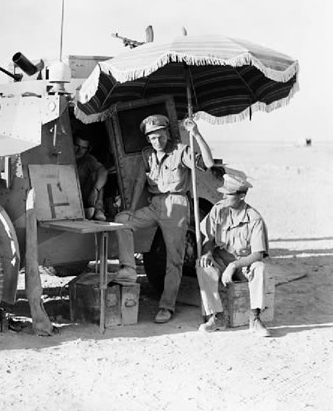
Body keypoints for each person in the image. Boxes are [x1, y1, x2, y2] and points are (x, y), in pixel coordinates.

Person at [114, 114, 214, 323]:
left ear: (167, 134)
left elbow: (208, 162)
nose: (157, 142)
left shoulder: (180, 151)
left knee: (174, 259)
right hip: (155, 205)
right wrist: (131, 209)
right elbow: (141, 181)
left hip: (176, 206)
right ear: (148, 139)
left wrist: (196, 134)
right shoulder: (147, 154)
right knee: (122, 220)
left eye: (160, 137)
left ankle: (166, 306)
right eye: (152, 138)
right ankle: (129, 269)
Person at [197, 173, 271, 337]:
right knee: (203, 265)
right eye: (223, 193)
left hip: (244, 263)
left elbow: (258, 254)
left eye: (228, 194)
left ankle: (255, 318)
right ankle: (217, 317)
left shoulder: (254, 219)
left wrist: (234, 266)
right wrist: (208, 253)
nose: (223, 196)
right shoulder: (218, 209)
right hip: (222, 259)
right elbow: (208, 238)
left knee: (260, 268)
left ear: (242, 196)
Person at [73, 130, 108, 221]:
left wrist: (95, 190)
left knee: (96, 175)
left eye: (83, 148)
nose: (79, 150)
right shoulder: (62, 156)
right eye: (76, 145)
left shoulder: (88, 160)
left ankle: (98, 209)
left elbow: (103, 171)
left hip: (83, 196)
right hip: (65, 195)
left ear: (88, 149)